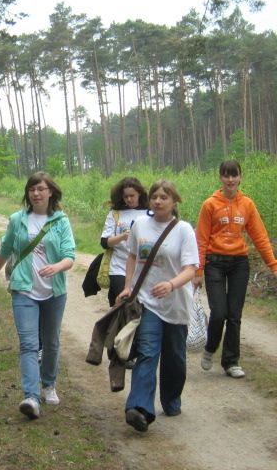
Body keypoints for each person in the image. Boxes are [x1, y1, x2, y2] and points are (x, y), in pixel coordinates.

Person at [0, 171, 75, 420]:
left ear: (50, 193)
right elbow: (5, 250)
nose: (36, 193)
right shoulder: (17, 220)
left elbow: (70, 255)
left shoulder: (61, 221)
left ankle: (48, 384)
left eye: (41, 189)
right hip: (24, 289)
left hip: (54, 291)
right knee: (28, 344)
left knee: (51, 342)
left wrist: (57, 266)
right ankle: (31, 396)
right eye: (32, 189)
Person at [118, 180, 199, 432]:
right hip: (147, 301)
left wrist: (171, 285)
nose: (158, 201)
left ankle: (171, 400)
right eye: (154, 196)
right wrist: (128, 285)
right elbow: (132, 255)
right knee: (147, 352)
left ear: (174, 201)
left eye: (164, 197)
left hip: (176, 303)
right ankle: (139, 408)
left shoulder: (184, 230)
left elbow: (191, 268)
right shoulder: (140, 225)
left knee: (175, 358)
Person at [193, 160, 277, 379]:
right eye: (226, 175)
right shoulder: (209, 205)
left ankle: (231, 361)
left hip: (239, 262)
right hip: (214, 263)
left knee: (234, 315)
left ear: (240, 177)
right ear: (220, 177)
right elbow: (201, 240)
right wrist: (198, 270)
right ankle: (210, 347)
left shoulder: (247, 205)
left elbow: (260, 237)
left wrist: (273, 266)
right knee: (219, 312)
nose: (230, 180)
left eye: (234, 175)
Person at [100, 177, 149, 307]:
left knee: (141, 307)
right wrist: (122, 237)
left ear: (139, 193)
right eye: (126, 196)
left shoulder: (149, 213)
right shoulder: (115, 213)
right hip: (118, 268)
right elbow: (104, 242)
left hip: (143, 268)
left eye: (132, 196)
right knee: (125, 305)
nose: (129, 199)